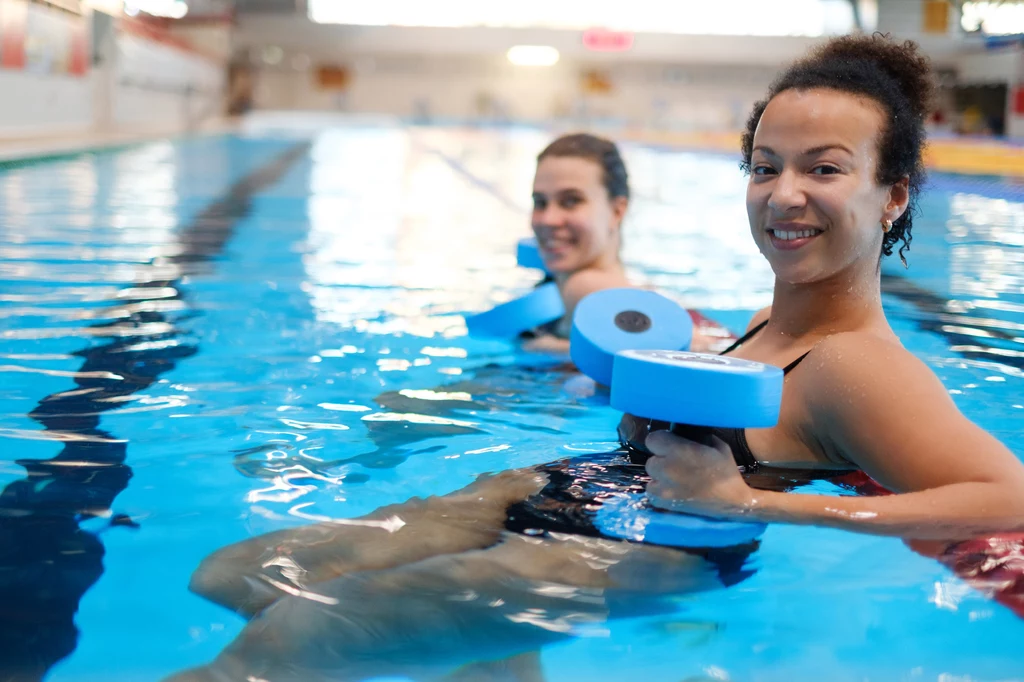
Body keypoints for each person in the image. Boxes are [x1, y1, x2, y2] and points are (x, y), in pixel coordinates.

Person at [170, 35, 1024, 682]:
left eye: (824, 168)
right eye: (765, 166)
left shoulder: (857, 365)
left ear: (895, 194)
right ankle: (497, 651)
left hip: (617, 557)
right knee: (235, 575)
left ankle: (493, 635)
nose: (784, 194)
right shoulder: (770, 322)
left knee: (284, 645)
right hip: (547, 497)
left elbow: (1007, 496)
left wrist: (746, 505)